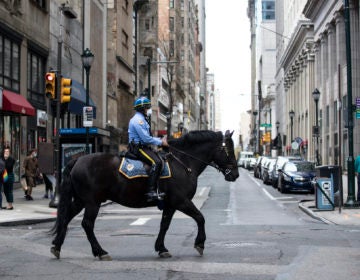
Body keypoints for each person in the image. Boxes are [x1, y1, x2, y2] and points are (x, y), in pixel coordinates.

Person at [128, 96, 168, 201]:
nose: (148, 109)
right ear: (142, 109)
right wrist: (161, 142)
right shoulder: (138, 120)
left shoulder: (142, 119)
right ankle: (150, 191)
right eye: (147, 107)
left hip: (144, 147)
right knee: (157, 163)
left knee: (161, 159)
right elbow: (146, 139)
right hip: (138, 148)